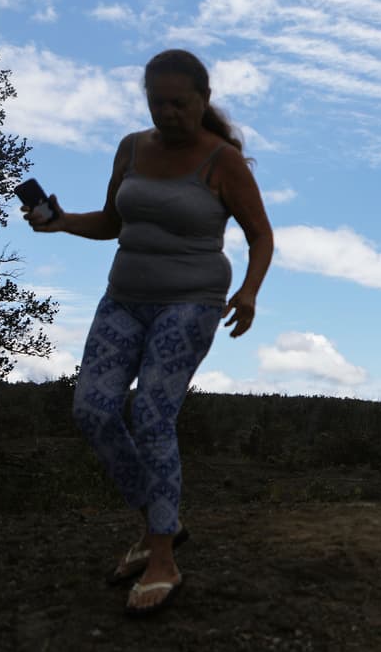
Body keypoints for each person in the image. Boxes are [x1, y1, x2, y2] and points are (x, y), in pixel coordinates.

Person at [26, 49, 273, 617]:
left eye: (179, 103)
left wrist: (251, 291)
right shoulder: (132, 148)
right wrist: (60, 222)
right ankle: (162, 519)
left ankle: (162, 556)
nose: (167, 113)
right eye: (156, 103)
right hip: (124, 298)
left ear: (203, 100)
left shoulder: (222, 162)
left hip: (191, 301)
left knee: (153, 415)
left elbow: (261, 235)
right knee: (91, 409)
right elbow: (113, 223)